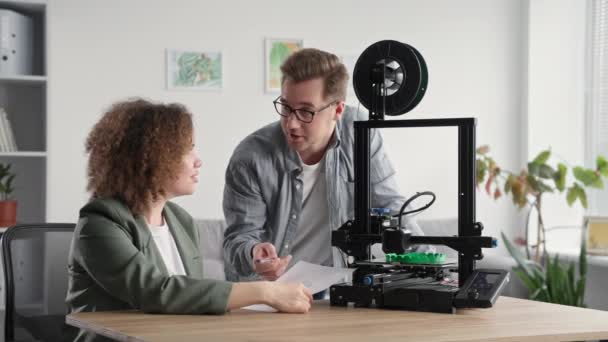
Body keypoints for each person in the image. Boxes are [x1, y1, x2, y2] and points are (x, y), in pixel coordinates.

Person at [65, 99, 312, 342]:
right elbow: (157, 292)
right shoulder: (99, 224)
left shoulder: (180, 221)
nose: (198, 160)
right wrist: (264, 292)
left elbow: (191, 300)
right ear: (151, 158)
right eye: (187, 149)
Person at [222, 48, 426, 284]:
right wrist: (253, 253)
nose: (291, 123)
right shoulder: (252, 156)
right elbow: (239, 238)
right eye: (286, 107)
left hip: (333, 287)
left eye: (306, 111)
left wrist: (428, 263)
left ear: (337, 110)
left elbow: (390, 204)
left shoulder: (360, 134)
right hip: (265, 292)